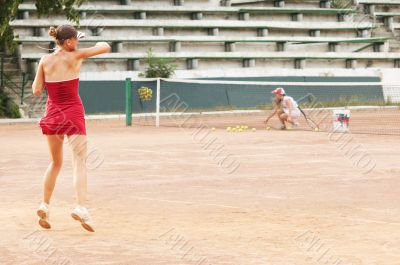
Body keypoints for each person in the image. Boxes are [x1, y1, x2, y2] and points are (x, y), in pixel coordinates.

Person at [32, 24, 111, 232]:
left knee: (55, 163)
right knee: (79, 162)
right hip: (73, 114)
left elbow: (36, 90)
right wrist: (96, 43)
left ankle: (45, 205)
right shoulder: (76, 55)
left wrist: (47, 69)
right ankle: (81, 207)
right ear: (68, 42)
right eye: (76, 39)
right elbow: (105, 47)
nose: (77, 42)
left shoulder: (44, 60)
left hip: (53, 114)